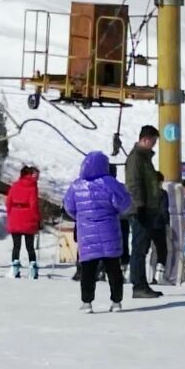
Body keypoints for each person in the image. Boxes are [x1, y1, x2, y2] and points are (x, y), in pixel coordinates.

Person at [63, 150, 132, 311]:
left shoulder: (76, 185)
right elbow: (124, 203)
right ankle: (116, 301)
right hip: (109, 230)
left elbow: (69, 207)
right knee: (113, 268)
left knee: (88, 269)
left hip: (86, 232)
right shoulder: (110, 183)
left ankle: (87, 302)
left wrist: (82, 217)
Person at [125, 125, 166, 298]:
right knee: (139, 247)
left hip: (148, 208)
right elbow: (134, 183)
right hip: (140, 209)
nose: (154, 145)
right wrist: (140, 205)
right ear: (146, 139)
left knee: (143, 247)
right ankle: (138, 285)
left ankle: (141, 283)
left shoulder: (144, 158)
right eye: (154, 141)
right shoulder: (136, 158)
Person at [5, 165, 42, 279]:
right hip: (28, 217)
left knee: (16, 245)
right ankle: (32, 268)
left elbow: (8, 202)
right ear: (30, 175)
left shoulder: (15, 185)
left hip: (15, 216)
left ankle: (14, 267)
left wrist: (11, 214)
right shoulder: (33, 187)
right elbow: (33, 205)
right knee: (30, 246)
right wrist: (37, 219)